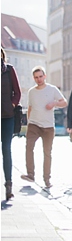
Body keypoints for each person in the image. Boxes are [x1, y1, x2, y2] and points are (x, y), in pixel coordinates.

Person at [20, 66, 67, 189]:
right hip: (34, 125)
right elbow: (29, 108)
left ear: (44, 76)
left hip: (48, 127)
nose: (39, 79)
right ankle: (30, 174)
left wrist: (54, 103)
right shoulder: (31, 91)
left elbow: (64, 102)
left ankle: (47, 179)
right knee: (29, 147)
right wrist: (29, 122)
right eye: (36, 77)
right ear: (33, 78)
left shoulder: (52, 89)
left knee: (47, 153)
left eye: (41, 76)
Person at [1, 48, 21, 200]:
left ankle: (9, 185)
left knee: (6, 150)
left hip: (7, 116)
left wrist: (12, 104)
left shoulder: (9, 70)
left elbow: (17, 92)